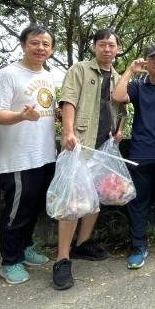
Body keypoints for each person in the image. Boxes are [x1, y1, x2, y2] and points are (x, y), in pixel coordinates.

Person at [0, 24, 57, 286]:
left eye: (46, 44)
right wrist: (20, 116)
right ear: (23, 44)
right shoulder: (7, 75)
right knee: (16, 211)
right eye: (35, 43)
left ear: (51, 49)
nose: (40, 48)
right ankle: (10, 262)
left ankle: (26, 248)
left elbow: (48, 112)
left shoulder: (48, 76)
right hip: (18, 157)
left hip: (45, 154)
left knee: (34, 207)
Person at [56, 28, 127, 287]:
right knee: (73, 201)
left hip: (104, 146)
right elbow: (68, 101)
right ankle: (62, 258)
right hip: (81, 142)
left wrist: (119, 132)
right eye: (102, 45)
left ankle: (83, 243)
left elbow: (121, 110)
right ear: (94, 47)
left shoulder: (119, 76)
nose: (107, 49)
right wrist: (68, 131)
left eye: (111, 45)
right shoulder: (80, 70)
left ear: (118, 49)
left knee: (95, 196)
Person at [111, 44, 155, 269]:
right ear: (147, 63)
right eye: (153, 59)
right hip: (142, 153)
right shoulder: (138, 87)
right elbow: (117, 95)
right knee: (139, 202)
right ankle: (138, 246)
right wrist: (131, 70)